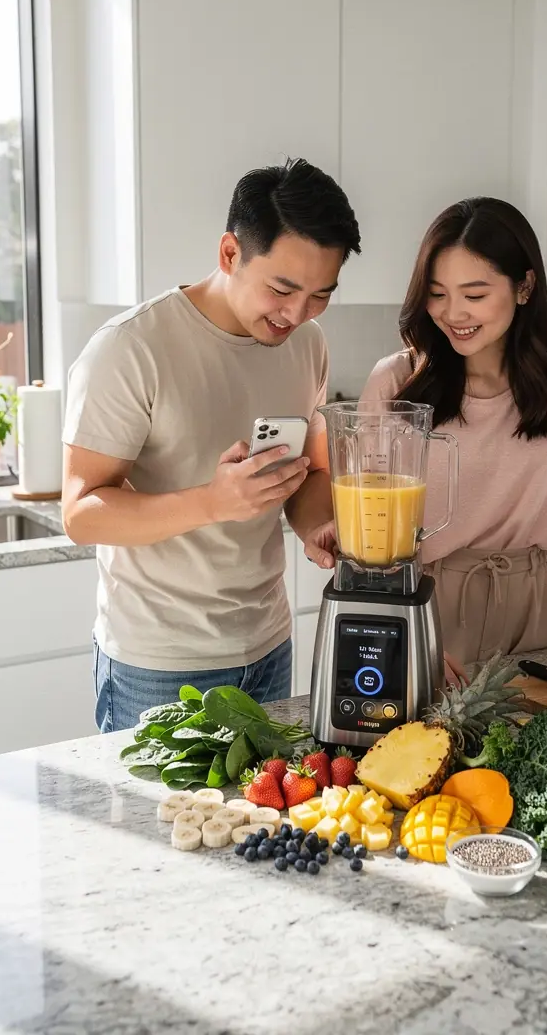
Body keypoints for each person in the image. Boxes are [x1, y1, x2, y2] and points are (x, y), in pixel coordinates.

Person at [305, 196, 547, 681]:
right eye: (437, 293)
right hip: (431, 607)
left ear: (524, 286)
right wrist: (406, 634)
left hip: (541, 603)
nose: (453, 313)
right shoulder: (397, 382)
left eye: (474, 295)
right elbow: (373, 534)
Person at [62, 158, 360, 731]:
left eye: (321, 295)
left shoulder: (306, 344)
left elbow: (308, 472)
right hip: (159, 663)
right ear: (230, 254)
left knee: (257, 824)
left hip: (269, 647)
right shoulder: (131, 348)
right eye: (282, 288)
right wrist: (212, 502)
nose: (296, 314)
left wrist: (317, 524)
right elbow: (80, 513)